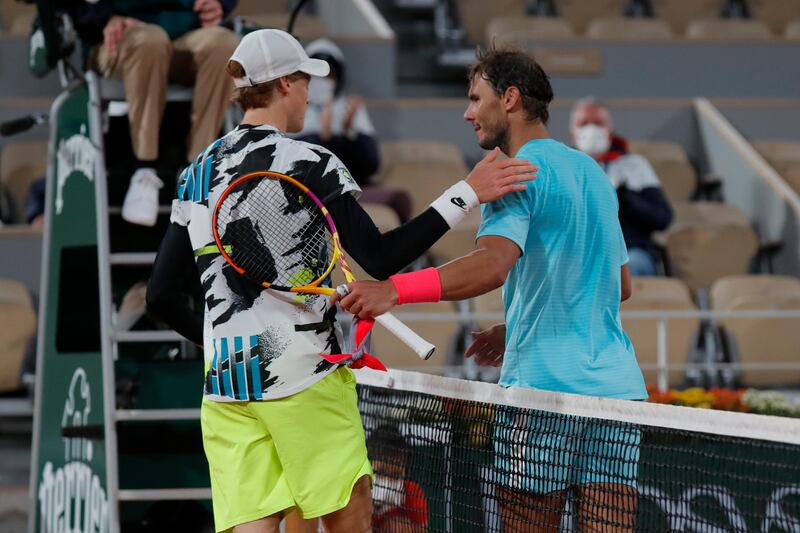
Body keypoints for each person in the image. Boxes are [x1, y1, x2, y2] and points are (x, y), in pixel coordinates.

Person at [145, 30, 535, 533]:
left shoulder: (194, 174)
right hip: (301, 376)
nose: (310, 94)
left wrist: (226, 344)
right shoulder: (309, 162)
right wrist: (465, 193)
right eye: (306, 81)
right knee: (351, 513)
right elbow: (380, 257)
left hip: (225, 384)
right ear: (285, 83)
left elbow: (160, 294)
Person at [335, 46, 647, 531]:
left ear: (510, 99)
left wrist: (393, 290)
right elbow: (619, 286)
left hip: (544, 396)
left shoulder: (510, 175)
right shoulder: (594, 174)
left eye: (475, 98)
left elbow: (492, 267)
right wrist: (520, 322)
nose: (467, 112)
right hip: (617, 393)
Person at [63, 0, 240, 226]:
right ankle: (143, 170)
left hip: (184, 35)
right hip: (117, 38)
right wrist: (103, 17)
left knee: (225, 44)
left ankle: (195, 176)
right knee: (150, 40)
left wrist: (219, 4)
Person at [294, 38, 413, 223]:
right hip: (314, 193)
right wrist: (323, 138)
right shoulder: (295, 108)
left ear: (339, 78)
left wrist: (350, 133)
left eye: (329, 76)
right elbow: (297, 165)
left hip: (354, 186)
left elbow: (371, 163)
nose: (323, 82)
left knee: (400, 199)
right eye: (317, 76)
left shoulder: (349, 108)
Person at [570, 98, 673, 276]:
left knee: (627, 268)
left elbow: (662, 217)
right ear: (573, 132)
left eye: (598, 123)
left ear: (610, 131)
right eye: (584, 123)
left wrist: (627, 201)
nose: (591, 129)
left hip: (628, 251)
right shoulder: (564, 167)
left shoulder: (635, 165)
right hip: (577, 252)